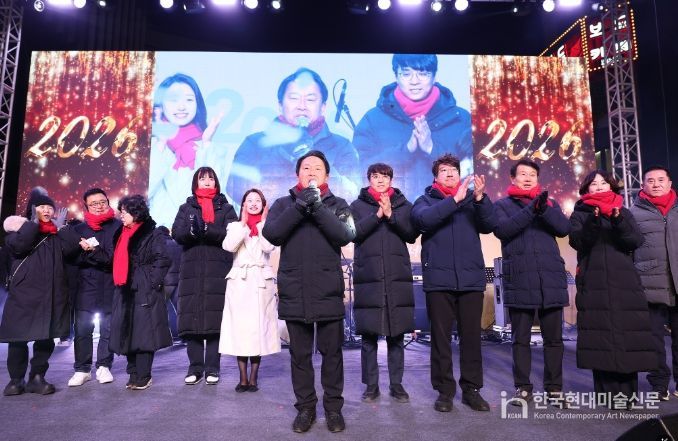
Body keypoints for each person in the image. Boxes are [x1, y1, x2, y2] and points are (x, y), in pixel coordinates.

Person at [262, 150, 355, 433]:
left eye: (317, 168)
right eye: (306, 167)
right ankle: (306, 409)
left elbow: (346, 235)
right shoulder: (283, 204)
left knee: (332, 354)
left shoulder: (338, 204)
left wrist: (317, 206)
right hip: (295, 289)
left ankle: (333, 409)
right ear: (297, 174)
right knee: (299, 356)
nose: (311, 171)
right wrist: (301, 205)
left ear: (327, 175)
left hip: (327, 289)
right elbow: (272, 234)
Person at [411, 153, 495, 413]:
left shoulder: (472, 200)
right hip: (439, 280)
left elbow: (489, 224)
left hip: (470, 279)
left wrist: (480, 199)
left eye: (454, 170)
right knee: (441, 339)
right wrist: (454, 200)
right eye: (444, 170)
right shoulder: (425, 200)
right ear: (436, 177)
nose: (450, 174)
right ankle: (444, 391)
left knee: (471, 338)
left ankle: (472, 390)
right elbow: (423, 221)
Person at [569, 170, 654, 407]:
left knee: (626, 336)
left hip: (624, 282)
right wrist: (593, 223)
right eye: (593, 184)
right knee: (600, 338)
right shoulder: (580, 214)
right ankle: (606, 395)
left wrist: (617, 221)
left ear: (612, 187)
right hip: (593, 282)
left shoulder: (623, 212)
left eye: (603, 183)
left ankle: (628, 395)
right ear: (586, 189)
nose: (599, 186)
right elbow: (578, 242)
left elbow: (635, 241)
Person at [493, 160, 571, 404]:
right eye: (523, 174)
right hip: (520, 278)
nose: (528, 178)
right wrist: (531, 209)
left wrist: (543, 208)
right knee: (521, 339)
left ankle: (554, 389)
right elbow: (503, 230)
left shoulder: (549, 204)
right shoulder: (502, 205)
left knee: (554, 340)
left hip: (550, 278)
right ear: (513, 178)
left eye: (532, 175)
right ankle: (523, 388)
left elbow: (563, 228)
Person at [226, 68, 359, 207]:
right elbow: (235, 188)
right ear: (280, 105)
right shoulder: (254, 143)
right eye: (294, 98)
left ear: (323, 107)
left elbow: (351, 195)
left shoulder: (342, 146)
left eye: (310, 99)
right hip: (272, 218)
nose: (302, 106)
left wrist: (309, 156)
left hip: (321, 219)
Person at [353, 54, 472, 200]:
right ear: (396, 76)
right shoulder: (372, 120)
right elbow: (359, 171)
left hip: (450, 208)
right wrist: (406, 150)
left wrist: (431, 148)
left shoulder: (461, 119)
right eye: (406, 74)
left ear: (434, 76)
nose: (414, 81)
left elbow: (472, 171)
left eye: (423, 73)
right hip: (390, 209)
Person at [350, 162, 418, 403]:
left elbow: (411, 234)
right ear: (369, 179)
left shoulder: (403, 205)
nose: (380, 180)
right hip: (368, 277)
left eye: (385, 176)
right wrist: (377, 215)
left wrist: (391, 215)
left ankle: (396, 385)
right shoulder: (357, 206)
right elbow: (353, 233)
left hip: (396, 276)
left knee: (396, 335)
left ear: (391, 180)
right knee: (369, 336)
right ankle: (371, 386)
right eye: (376, 176)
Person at [1, 194, 78, 396]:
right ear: (32, 209)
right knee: (18, 338)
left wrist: (63, 229)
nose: (46, 211)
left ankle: (37, 377)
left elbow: (72, 250)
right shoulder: (17, 231)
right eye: (41, 207)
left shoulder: (56, 235)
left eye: (49, 207)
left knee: (46, 337)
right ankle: (16, 380)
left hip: (52, 294)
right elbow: (19, 246)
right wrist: (33, 225)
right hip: (23, 295)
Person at [171, 167, 238, 385]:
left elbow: (232, 235)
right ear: (196, 183)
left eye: (210, 178)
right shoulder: (186, 208)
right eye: (202, 179)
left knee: (215, 322)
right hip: (191, 272)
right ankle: (195, 368)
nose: (207, 182)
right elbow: (176, 233)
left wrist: (209, 230)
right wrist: (191, 232)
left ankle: (212, 368)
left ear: (216, 182)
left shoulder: (226, 208)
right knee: (192, 321)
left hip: (218, 270)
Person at [109, 195, 171, 391]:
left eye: (124, 212)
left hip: (143, 288)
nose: (121, 215)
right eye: (121, 211)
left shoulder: (152, 233)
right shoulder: (121, 233)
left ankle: (144, 375)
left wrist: (152, 282)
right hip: (124, 288)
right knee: (126, 331)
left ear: (136, 213)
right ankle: (133, 373)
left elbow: (162, 259)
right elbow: (113, 258)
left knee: (144, 333)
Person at [220, 189, 280, 393]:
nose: (253, 204)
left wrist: (262, 224)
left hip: (261, 283)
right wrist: (244, 225)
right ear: (243, 204)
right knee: (241, 331)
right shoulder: (235, 226)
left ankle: (253, 378)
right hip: (240, 283)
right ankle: (242, 378)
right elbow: (229, 246)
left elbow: (268, 247)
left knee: (258, 331)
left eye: (258, 201)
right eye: (249, 200)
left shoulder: (268, 227)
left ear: (264, 205)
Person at [630, 165, 678, 400]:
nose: (656, 184)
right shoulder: (633, 213)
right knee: (654, 341)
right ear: (643, 185)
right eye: (651, 180)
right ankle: (659, 385)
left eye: (660, 180)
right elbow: (628, 249)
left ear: (670, 183)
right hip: (648, 284)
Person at [149, 73, 222, 227]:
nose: (181, 107)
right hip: (160, 231)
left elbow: (215, 193)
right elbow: (143, 194)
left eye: (189, 100)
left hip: (197, 231)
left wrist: (206, 143)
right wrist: (161, 143)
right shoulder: (150, 146)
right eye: (173, 100)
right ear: (161, 105)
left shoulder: (208, 147)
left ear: (197, 104)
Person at [67, 188, 122, 387]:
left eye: (102, 202)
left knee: (108, 329)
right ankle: (82, 369)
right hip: (85, 287)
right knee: (82, 330)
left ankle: (104, 366)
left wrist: (92, 252)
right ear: (86, 207)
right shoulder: (78, 229)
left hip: (110, 285)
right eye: (94, 204)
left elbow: (114, 259)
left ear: (108, 202)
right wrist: (96, 255)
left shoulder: (118, 227)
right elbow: (73, 258)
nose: (99, 206)